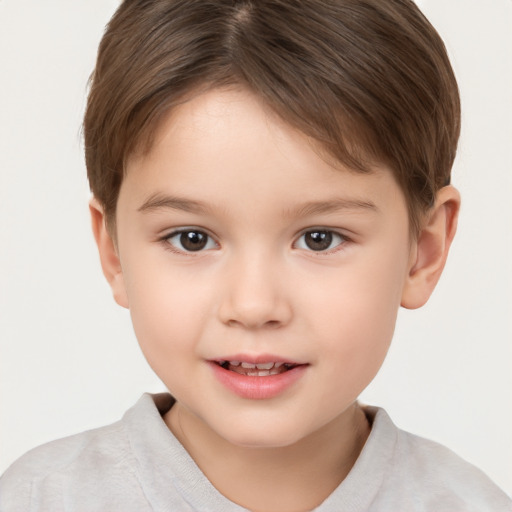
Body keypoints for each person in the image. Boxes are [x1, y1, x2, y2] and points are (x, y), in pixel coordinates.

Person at [1, 0, 510, 510]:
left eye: (320, 238)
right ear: (113, 251)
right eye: (191, 238)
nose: (253, 305)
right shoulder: (38, 499)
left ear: (422, 251)